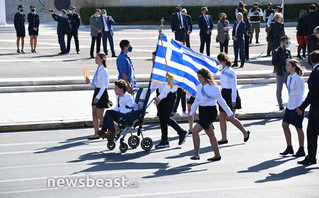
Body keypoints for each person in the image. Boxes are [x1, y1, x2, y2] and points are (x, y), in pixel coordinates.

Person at [189, 68, 234, 161]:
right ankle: (217, 155)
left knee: (194, 131)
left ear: (205, 77)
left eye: (200, 77)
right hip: (202, 111)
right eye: (198, 77)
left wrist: (229, 113)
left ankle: (196, 154)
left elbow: (221, 101)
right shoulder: (199, 87)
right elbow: (196, 101)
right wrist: (191, 113)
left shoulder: (213, 88)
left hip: (210, 112)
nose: (199, 79)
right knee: (210, 134)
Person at [216, 52, 250, 145]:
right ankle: (224, 138)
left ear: (225, 61)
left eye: (221, 61)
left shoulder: (230, 71)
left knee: (231, 117)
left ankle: (245, 132)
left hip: (230, 94)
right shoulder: (222, 71)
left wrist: (233, 100)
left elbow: (234, 86)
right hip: (224, 94)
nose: (220, 63)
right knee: (222, 117)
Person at [296, 50, 319, 165]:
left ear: (311, 60)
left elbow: (313, 93)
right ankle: (311, 157)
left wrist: (302, 107)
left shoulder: (315, 73)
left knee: (312, 133)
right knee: (311, 133)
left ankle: (311, 157)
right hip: (316, 108)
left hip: (316, 109)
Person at [150, 81, 188, 149]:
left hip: (169, 95)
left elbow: (167, 87)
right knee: (162, 118)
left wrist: (160, 97)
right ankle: (164, 140)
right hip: (161, 94)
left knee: (165, 117)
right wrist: (148, 92)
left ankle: (181, 132)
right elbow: (155, 83)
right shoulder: (160, 71)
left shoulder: (169, 71)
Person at [280, 59, 305, 157]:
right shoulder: (289, 77)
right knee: (284, 124)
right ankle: (289, 147)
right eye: (286, 65)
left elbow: (301, 93)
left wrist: (300, 108)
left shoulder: (298, 79)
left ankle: (301, 149)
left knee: (298, 128)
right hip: (290, 106)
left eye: (288, 65)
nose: (286, 67)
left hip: (297, 106)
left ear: (294, 67)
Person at [85, 53, 110, 140]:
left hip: (101, 93)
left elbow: (104, 86)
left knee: (100, 115)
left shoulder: (104, 70)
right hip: (97, 91)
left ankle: (115, 126)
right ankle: (96, 133)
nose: (96, 60)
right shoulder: (98, 69)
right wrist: (90, 82)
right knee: (94, 113)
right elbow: (96, 83)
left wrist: (98, 97)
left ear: (102, 59)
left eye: (97, 58)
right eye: (95, 58)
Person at [272, 35, 292, 110]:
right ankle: (280, 104)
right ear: (282, 43)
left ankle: (291, 103)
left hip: (288, 73)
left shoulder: (288, 51)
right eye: (286, 42)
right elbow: (274, 62)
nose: (287, 43)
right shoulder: (276, 51)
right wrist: (283, 62)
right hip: (280, 73)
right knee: (279, 89)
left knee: (290, 89)